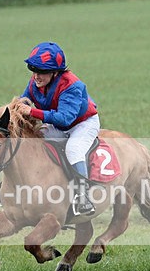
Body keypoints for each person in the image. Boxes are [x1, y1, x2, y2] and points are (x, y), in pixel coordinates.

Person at [15, 41, 100, 216]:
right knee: (33, 142)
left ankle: (83, 198)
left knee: (74, 149)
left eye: (42, 72)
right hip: (59, 123)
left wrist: (32, 111)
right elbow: (23, 101)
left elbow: (65, 119)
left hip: (82, 124)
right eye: (34, 71)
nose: (36, 76)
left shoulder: (71, 85)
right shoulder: (35, 82)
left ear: (55, 72)